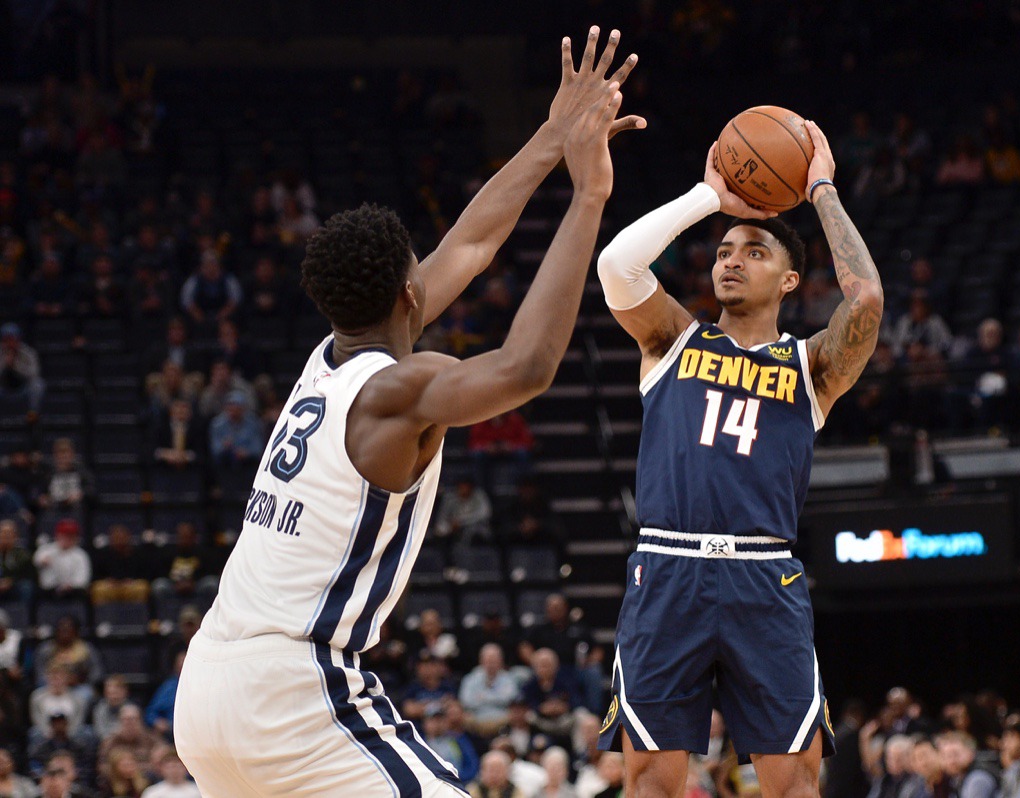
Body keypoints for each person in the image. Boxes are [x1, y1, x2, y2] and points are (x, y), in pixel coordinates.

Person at [174, 27, 642, 796]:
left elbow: (472, 243)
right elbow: (526, 368)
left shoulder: (325, 363)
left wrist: (556, 136)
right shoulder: (396, 388)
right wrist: (590, 194)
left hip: (208, 686)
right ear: (410, 295)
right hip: (291, 690)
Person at [594, 120, 880, 797]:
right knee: (650, 784)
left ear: (788, 279)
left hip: (765, 578)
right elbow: (616, 267)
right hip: (668, 567)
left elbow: (864, 298)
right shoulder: (673, 340)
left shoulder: (811, 365)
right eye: (723, 249)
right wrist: (707, 196)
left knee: (794, 785)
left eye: (751, 251)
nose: (729, 258)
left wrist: (821, 190)